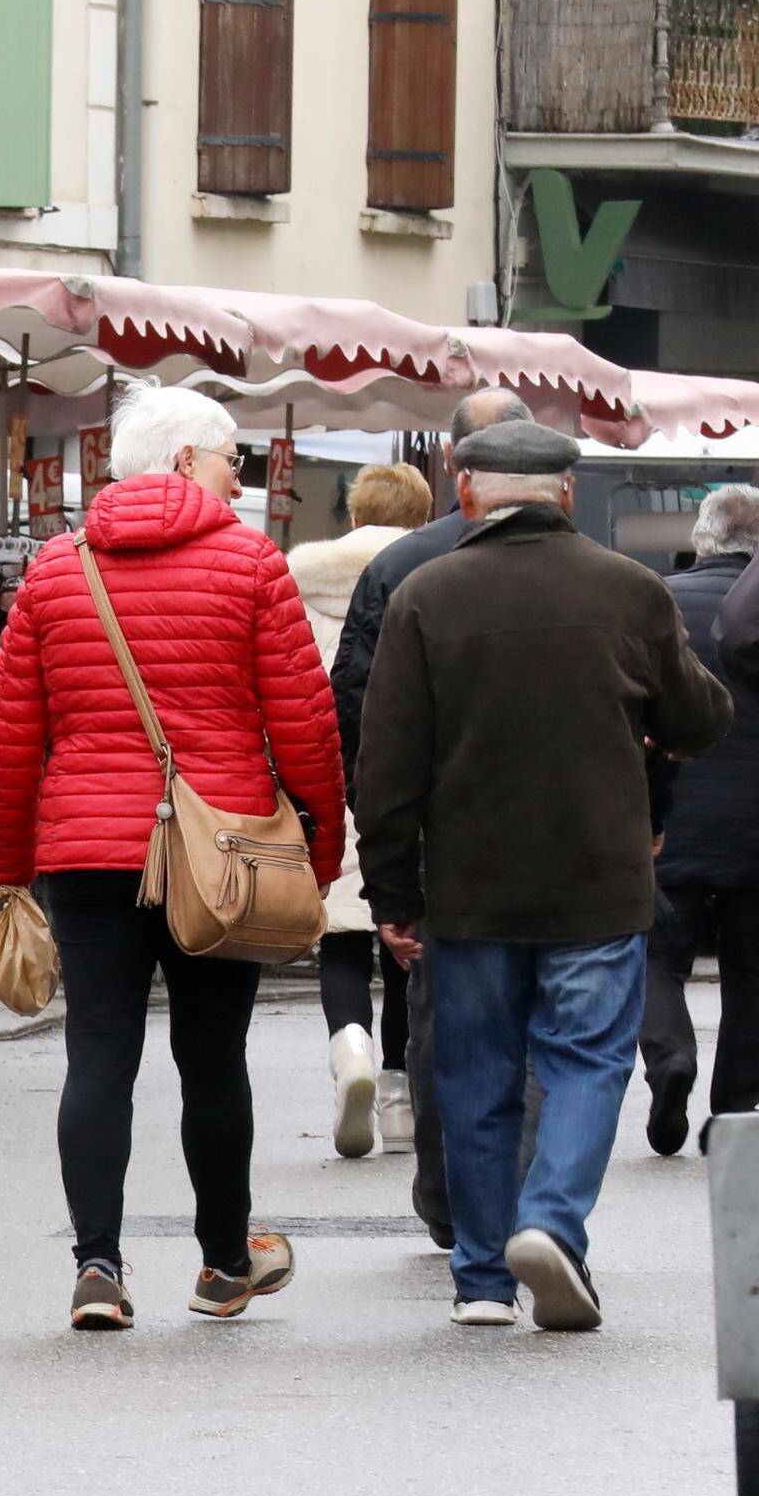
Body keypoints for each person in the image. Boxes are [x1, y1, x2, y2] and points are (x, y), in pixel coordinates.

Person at [0, 383, 345, 1333]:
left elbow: (9, 736)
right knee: (213, 1058)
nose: (240, 476)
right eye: (232, 458)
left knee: (98, 1051)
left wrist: (11, 868)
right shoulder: (252, 565)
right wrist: (323, 847)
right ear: (187, 461)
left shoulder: (59, 570)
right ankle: (225, 1262)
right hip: (218, 849)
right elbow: (305, 729)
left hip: (87, 852)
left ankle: (97, 1265)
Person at [357, 421, 732, 1331]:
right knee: (586, 1062)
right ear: (567, 494)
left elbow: (386, 767)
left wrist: (393, 896)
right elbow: (698, 719)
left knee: (476, 1073)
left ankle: (482, 1278)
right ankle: (553, 1223)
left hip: (469, 885)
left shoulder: (426, 595)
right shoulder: (632, 590)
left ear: (467, 488)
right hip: (597, 878)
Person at [331, 388, 536, 1248]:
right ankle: (531, 1204)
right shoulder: (592, 565)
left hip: (437, 825)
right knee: (536, 1020)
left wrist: (381, 847)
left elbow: (357, 708)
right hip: (548, 826)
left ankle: (450, 1198)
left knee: (445, 1008)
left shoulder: (403, 568)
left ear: (455, 466)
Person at [290, 461, 432, 1158]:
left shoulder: (300, 581)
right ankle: (401, 1096)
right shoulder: (433, 574)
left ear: (353, 513)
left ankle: (350, 1049)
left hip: (322, 780)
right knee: (405, 934)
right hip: (406, 778)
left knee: (341, 935)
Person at [640, 485, 759, 1155]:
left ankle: (669, 1059)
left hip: (672, 817)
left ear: (700, 536)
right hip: (753, 831)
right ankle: (735, 1110)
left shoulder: (659, 601)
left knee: (658, 959)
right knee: (751, 973)